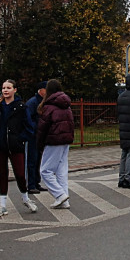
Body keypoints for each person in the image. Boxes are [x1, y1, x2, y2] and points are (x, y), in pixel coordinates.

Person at [0, 79, 38, 216]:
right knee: (2, 174)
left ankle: (25, 198)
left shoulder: (21, 107)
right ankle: (2, 205)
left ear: (15, 90)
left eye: (8, 87)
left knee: (19, 174)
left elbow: (30, 128)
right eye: (3, 88)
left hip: (15, 146)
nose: (5, 90)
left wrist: (20, 139)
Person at [37, 79, 75, 209]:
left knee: (45, 171)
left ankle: (60, 195)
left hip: (53, 141)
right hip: (65, 141)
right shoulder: (66, 105)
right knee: (61, 171)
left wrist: (39, 144)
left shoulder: (49, 106)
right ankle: (65, 201)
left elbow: (43, 127)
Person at [25, 82, 47, 194]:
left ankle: (36, 182)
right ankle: (31, 184)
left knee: (38, 160)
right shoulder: (32, 102)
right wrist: (36, 128)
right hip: (32, 136)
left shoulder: (42, 102)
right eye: (46, 89)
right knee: (32, 160)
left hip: (39, 136)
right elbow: (28, 120)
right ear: (41, 90)